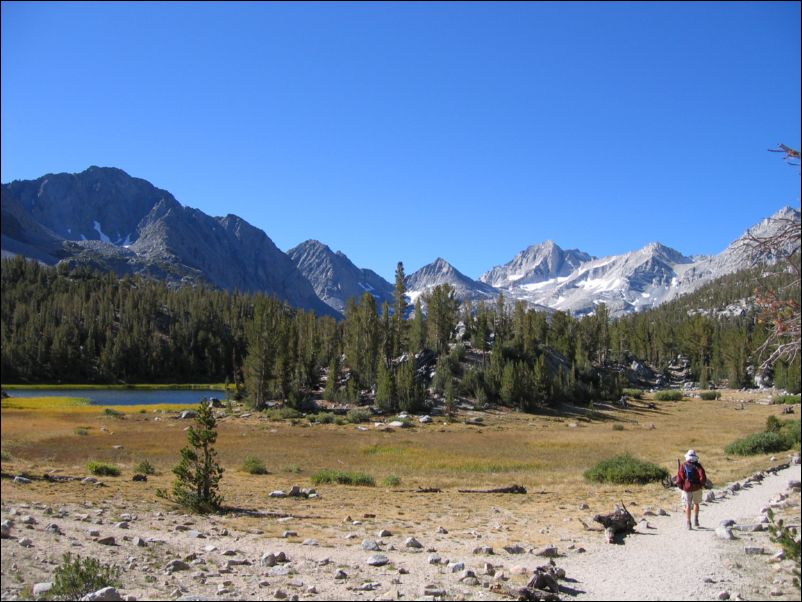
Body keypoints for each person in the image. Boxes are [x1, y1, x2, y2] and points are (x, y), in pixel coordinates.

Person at [676, 449, 706, 529]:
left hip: (687, 488)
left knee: (688, 505)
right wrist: (701, 485)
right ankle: (696, 520)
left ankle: (688, 523)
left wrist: (682, 487)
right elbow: (702, 478)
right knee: (696, 504)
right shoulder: (698, 466)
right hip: (697, 488)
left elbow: (679, 478)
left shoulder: (683, 465)